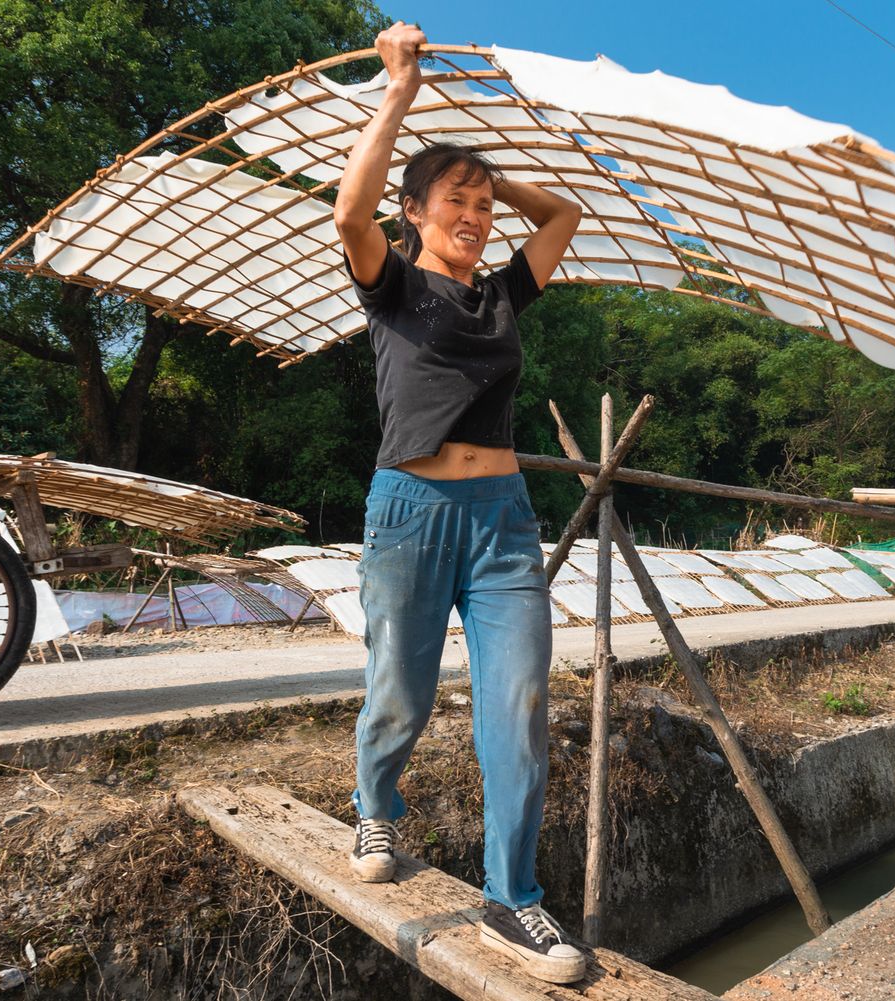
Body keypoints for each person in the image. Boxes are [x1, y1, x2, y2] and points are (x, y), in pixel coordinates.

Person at [332, 21, 586, 985]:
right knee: (398, 685)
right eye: (457, 202)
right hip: (410, 512)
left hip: (504, 524)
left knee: (518, 702)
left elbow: (557, 216)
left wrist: (484, 171)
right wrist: (400, 98)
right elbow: (351, 214)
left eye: (482, 205)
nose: (477, 216)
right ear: (414, 213)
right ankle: (376, 805)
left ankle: (511, 898)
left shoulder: (502, 297)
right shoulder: (392, 284)